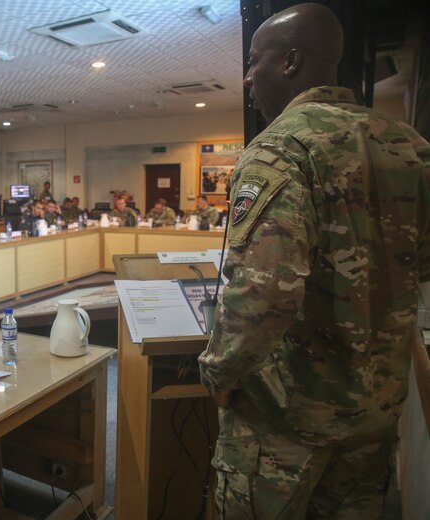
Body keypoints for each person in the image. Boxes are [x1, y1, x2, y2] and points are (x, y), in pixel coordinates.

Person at [197, 4, 430, 518]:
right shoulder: (410, 147)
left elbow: (261, 293)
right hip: (374, 412)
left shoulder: (280, 149)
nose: (247, 77)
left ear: (290, 61)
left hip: (287, 421)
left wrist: (219, 373)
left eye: (254, 61)